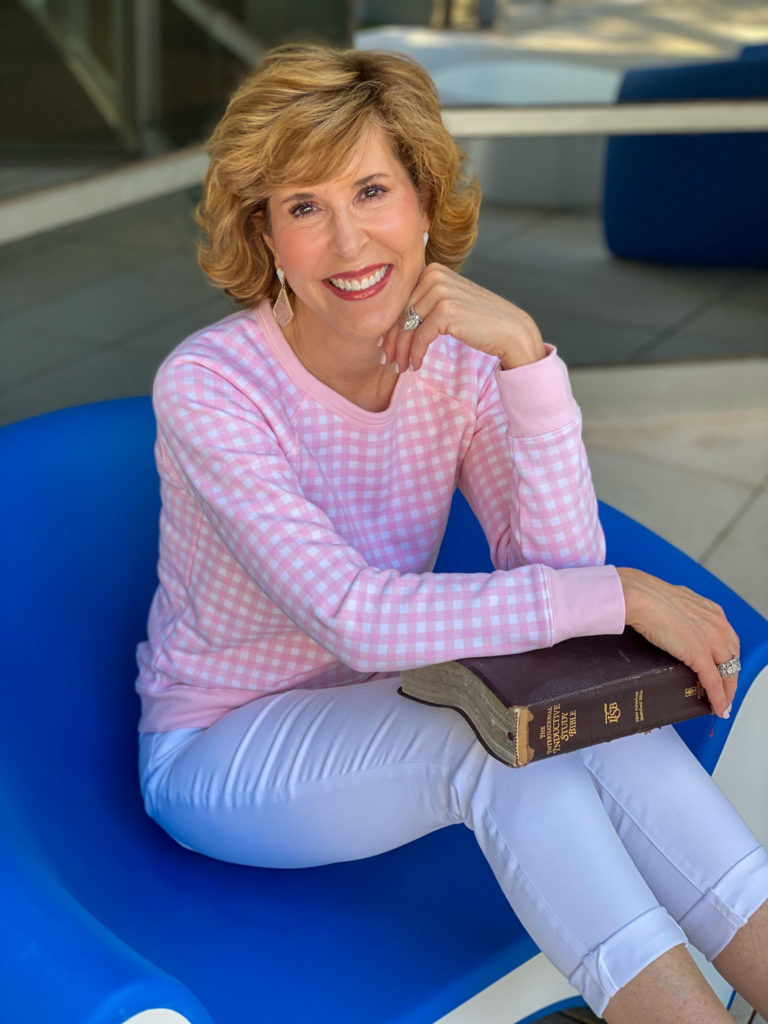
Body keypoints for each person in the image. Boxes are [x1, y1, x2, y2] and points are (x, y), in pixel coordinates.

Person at [136, 44, 768, 1024]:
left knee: (597, 718)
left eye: (373, 189)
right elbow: (352, 616)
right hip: (225, 744)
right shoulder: (212, 385)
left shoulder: (461, 361)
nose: (348, 242)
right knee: (501, 750)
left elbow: (558, 585)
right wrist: (627, 594)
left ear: (426, 200)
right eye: (304, 205)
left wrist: (527, 365)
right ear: (265, 232)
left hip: (397, 701)